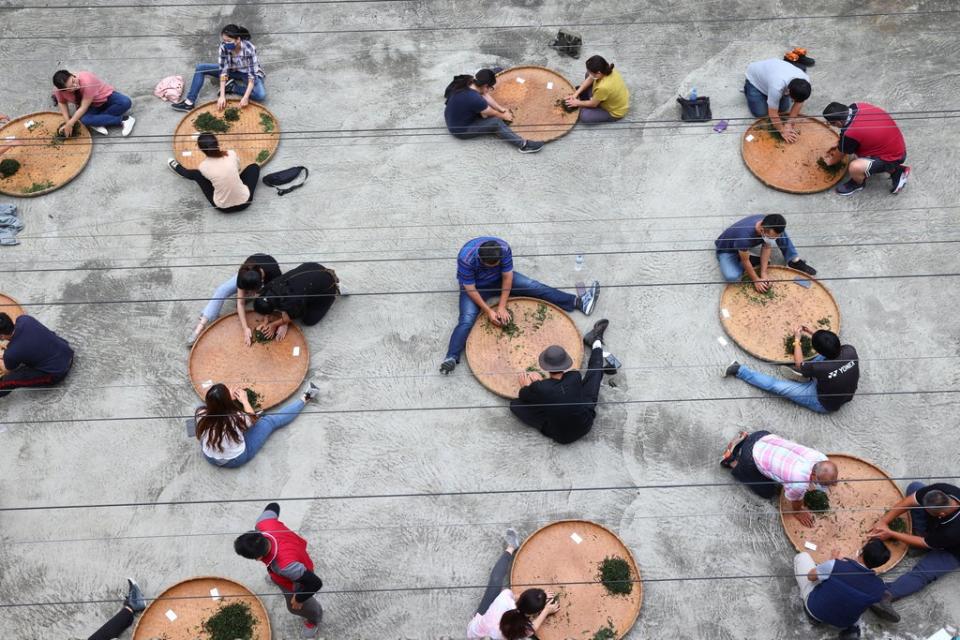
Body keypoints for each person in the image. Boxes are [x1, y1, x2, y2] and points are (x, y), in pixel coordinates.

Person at [439, 237, 600, 374]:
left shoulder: (503, 248)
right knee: (467, 319)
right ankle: (451, 357)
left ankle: (578, 302)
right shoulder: (466, 258)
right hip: (477, 287)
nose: (495, 265)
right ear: (481, 261)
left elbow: (507, 277)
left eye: (497, 264)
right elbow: (470, 288)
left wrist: (501, 307)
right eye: (491, 265)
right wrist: (488, 311)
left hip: (499, 280)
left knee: (533, 286)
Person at [866, 481, 960, 623]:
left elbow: (926, 543)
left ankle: (885, 596)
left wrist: (891, 533)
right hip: (939, 530)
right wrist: (883, 522)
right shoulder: (946, 490)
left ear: (941, 513)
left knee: (923, 572)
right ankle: (919, 534)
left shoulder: (952, 532)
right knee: (915, 487)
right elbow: (912, 499)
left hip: (953, 549)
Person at [509, 320, 613, 444]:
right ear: (565, 364)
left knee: (515, 405)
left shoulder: (540, 388)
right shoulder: (574, 376)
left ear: (545, 367)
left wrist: (528, 386)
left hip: (561, 436)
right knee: (593, 379)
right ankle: (596, 344)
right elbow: (555, 390)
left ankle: (595, 341)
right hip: (585, 425)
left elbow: (523, 396)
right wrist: (541, 384)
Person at [234, 503, 324, 638]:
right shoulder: (263, 524)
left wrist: (299, 598)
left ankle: (314, 618)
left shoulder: (285, 567)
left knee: (294, 607)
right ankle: (275, 579)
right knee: (277, 575)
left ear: (258, 558)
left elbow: (315, 583)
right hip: (296, 551)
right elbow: (273, 506)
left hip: (298, 575)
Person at [724, 328, 858, 414]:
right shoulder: (849, 350)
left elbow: (799, 363)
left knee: (776, 386)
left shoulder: (821, 367)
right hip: (844, 396)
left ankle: (739, 370)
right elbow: (830, 347)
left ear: (818, 350)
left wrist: (797, 340)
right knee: (819, 366)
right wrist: (815, 334)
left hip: (823, 402)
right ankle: (807, 377)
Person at [720, 431, 838, 527]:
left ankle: (746, 438)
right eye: (824, 484)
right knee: (768, 492)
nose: (831, 486)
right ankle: (732, 460)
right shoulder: (798, 484)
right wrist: (798, 511)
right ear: (813, 476)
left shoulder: (821, 457)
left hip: (762, 436)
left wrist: (825, 481)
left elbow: (819, 474)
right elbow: (795, 501)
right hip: (750, 457)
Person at [195, 381, 319, 468]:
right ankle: (306, 397)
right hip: (233, 459)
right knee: (268, 421)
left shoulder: (200, 412)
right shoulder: (236, 418)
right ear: (228, 401)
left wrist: (224, 399)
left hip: (209, 456)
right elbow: (252, 418)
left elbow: (218, 410)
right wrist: (244, 400)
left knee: (229, 430)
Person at [467, 528, 560, 639]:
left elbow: (517, 598)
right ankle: (511, 546)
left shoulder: (505, 597)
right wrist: (546, 610)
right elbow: (532, 628)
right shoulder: (521, 629)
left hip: (475, 632)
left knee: (496, 581)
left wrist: (538, 597)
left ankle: (511, 547)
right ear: (532, 614)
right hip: (486, 634)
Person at [793, 540, 891, 639]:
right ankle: (853, 629)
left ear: (862, 551)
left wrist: (832, 561)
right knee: (857, 600)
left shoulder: (836, 565)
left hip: (815, 610)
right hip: (843, 623)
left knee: (802, 556)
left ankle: (813, 617)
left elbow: (811, 577)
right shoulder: (880, 587)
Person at [188, 254, 282, 346]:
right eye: (248, 291)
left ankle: (255, 293)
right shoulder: (244, 273)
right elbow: (240, 303)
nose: (250, 293)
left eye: (251, 292)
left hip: (268, 281)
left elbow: (274, 299)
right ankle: (201, 324)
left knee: (266, 300)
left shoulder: (274, 274)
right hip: (252, 277)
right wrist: (245, 328)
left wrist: (266, 321)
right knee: (222, 290)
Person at [444, 70, 545, 153]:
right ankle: (523, 145)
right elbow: (492, 112)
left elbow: (484, 94)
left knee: (485, 112)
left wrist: (501, 108)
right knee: (495, 122)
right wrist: (504, 115)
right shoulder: (475, 99)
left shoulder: (468, 81)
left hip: (451, 116)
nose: (489, 90)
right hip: (460, 129)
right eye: (490, 88)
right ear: (485, 86)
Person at [822, 101, 910, 196]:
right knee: (855, 149)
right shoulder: (859, 106)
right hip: (897, 146)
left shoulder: (850, 133)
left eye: (832, 123)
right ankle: (892, 168)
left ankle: (858, 184)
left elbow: (840, 154)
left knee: (855, 167)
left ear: (839, 122)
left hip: (893, 157)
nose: (831, 125)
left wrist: (828, 162)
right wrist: (840, 145)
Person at [171, 24, 265, 112]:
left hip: (246, 74)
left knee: (260, 95)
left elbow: (251, 77)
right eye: (224, 41)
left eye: (229, 41)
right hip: (232, 71)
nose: (225, 43)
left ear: (237, 40)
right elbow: (223, 72)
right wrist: (222, 96)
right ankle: (189, 102)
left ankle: (233, 87)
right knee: (201, 68)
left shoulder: (249, 49)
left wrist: (245, 97)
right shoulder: (223, 47)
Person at [714, 214, 816, 291]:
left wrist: (764, 273)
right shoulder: (744, 237)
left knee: (781, 232)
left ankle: (793, 260)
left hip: (744, 245)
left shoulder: (767, 222)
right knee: (732, 277)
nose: (774, 239)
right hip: (727, 249)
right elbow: (745, 261)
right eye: (772, 237)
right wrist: (756, 279)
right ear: (762, 230)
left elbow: (767, 247)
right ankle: (747, 259)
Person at [167, 133, 259, 212]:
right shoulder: (231, 153)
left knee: (197, 174)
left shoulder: (203, 167)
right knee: (254, 167)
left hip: (223, 207)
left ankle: (179, 169)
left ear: (201, 150)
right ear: (217, 143)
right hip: (245, 202)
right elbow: (238, 168)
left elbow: (209, 180)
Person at [253, 262, 341, 338]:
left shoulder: (292, 301)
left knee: (309, 320)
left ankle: (335, 288)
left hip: (326, 282)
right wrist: (266, 321)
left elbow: (291, 315)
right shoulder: (269, 287)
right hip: (311, 266)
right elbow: (267, 302)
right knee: (302, 296)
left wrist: (274, 325)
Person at [0, 312, 74, 398]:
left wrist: (4, 358)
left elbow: (7, 370)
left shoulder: (11, 353)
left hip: (58, 372)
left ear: (2, 336)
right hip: (67, 352)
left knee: (9, 379)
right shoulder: (24, 319)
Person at [743, 57, 811, 142]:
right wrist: (782, 130)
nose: (794, 102)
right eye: (793, 99)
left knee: (783, 109)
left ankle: (769, 95)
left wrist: (789, 122)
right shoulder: (777, 86)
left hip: (772, 75)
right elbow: (773, 113)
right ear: (788, 91)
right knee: (760, 113)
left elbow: (799, 102)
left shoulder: (805, 81)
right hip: (755, 79)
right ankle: (748, 88)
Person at [52, 69, 135, 137]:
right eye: (71, 87)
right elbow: (62, 103)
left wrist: (71, 123)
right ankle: (123, 120)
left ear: (72, 75)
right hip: (91, 106)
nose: (75, 85)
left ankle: (98, 121)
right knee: (85, 119)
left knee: (125, 102)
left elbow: (84, 107)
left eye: (74, 80)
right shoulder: (59, 91)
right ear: (64, 90)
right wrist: (67, 122)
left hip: (105, 98)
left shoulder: (87, 80)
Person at [564, 54, 629, 123]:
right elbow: (590, 78)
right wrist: (575, 94)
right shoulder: (608, 69)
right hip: (607, 96)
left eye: (591, 72)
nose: (589, 73)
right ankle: (592, 98)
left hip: (614, 111)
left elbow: (593, 104)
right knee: (588, 75)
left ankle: (594, 103)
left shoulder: (603, 87)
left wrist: (577, 103)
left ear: (598, 73)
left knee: (584, 116)